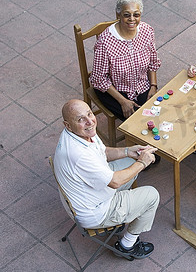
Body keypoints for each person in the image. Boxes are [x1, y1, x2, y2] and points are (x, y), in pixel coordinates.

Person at [54, 99, 160, 259]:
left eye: (89, 113)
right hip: (95, 210)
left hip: (87, 194)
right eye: (80, 119)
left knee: (130, 163)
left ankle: (122, 217)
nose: (90, 121)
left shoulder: (80, 133)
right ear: (68, 125)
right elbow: (115, 181)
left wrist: (128, 151)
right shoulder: (79, 154)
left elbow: (102, 152)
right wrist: (142, 162)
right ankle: (127, 245)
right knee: (152, 196)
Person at [91, 0, 161, 120]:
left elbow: (153, 62)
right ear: (118, 15)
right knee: (137, 122)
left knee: (155, 114)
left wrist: (153, 86)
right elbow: (98, 79)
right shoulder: (105, 42)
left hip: (142, 85)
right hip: (113, 91)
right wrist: (123, 101)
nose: (132, 19)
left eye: (136, 15)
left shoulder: (147, 31)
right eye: (127, 15)